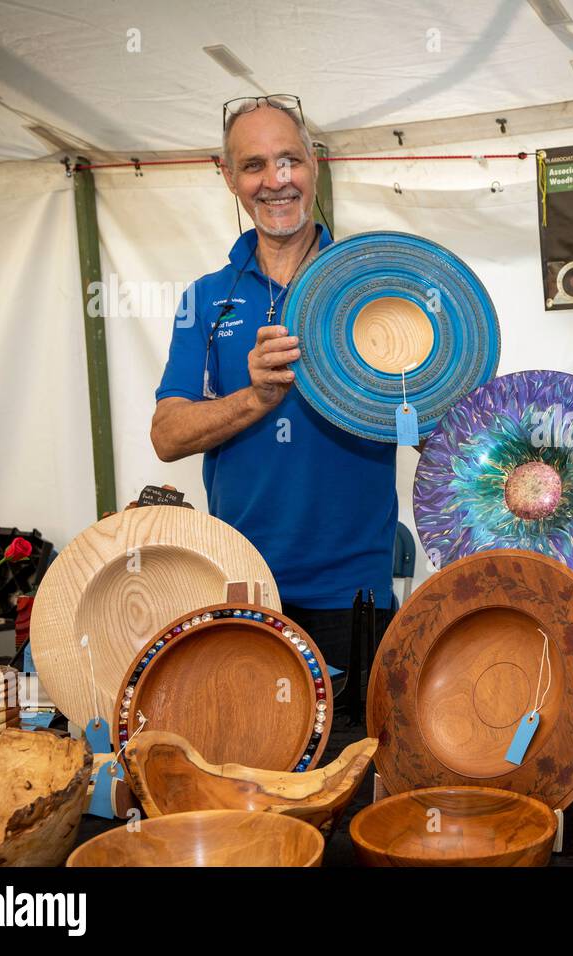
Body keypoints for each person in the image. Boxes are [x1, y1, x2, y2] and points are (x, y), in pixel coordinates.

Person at [151, 95, 396, 672]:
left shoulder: (375, 283)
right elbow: (167, 436)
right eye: (254, 165)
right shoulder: (206, 299)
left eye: (289, 159)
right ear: (229, 177)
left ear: (315, 164)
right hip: (240, 584)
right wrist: (257, 397)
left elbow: (432, 422)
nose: (275, 180)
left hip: (353, 591)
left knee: (352, 757)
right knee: (247, 757)